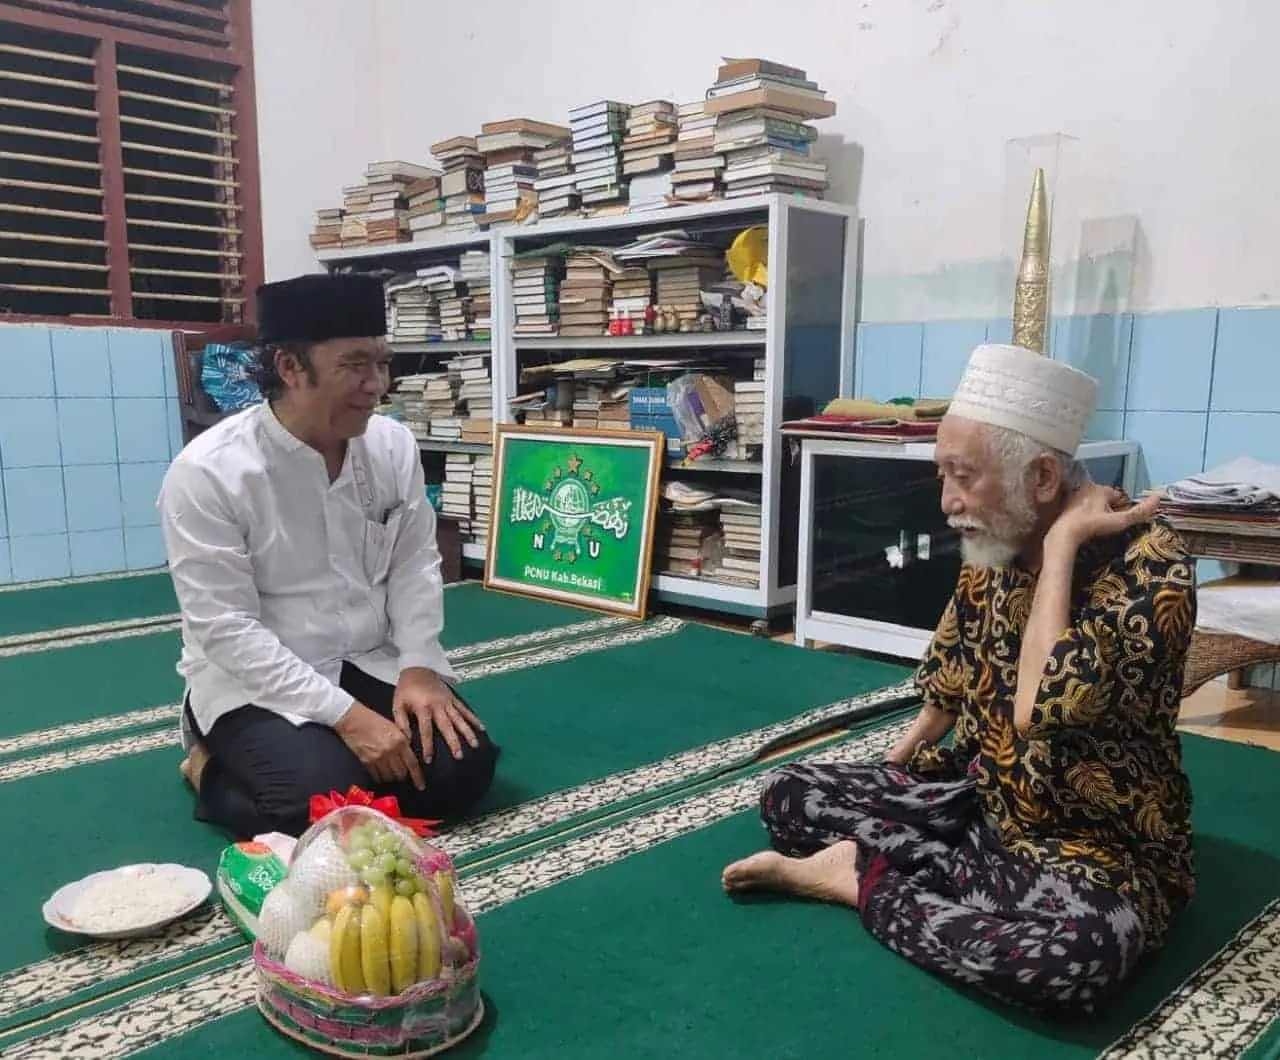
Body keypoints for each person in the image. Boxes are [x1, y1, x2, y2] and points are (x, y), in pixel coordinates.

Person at [722, 342, 1196, 1018]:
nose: (947, 501)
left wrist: (1062, 546)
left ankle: (863, 880)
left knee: (1081, 956)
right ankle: (915, 865)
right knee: (788, 793)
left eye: (963, 476)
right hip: (980, 801)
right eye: (942, 474)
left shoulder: (1153, 568)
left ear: (1041, 478)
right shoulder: (993, 540)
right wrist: (891, 790)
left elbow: (1038, 709)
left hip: (1094, 846)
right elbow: (948, 683)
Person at [159, 273, 499, 839]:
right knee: (321, 811)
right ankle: (207, 761)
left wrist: (417, 666)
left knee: (464, 770)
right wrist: (350, 718)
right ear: (290, 367)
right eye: (355, 365)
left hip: (366, 656)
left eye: (383, 363)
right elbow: (224, 628)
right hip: (259, 676)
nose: (377, 385)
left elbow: (415, 561)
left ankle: (322, 753)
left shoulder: (391, 445)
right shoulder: (208, 474)